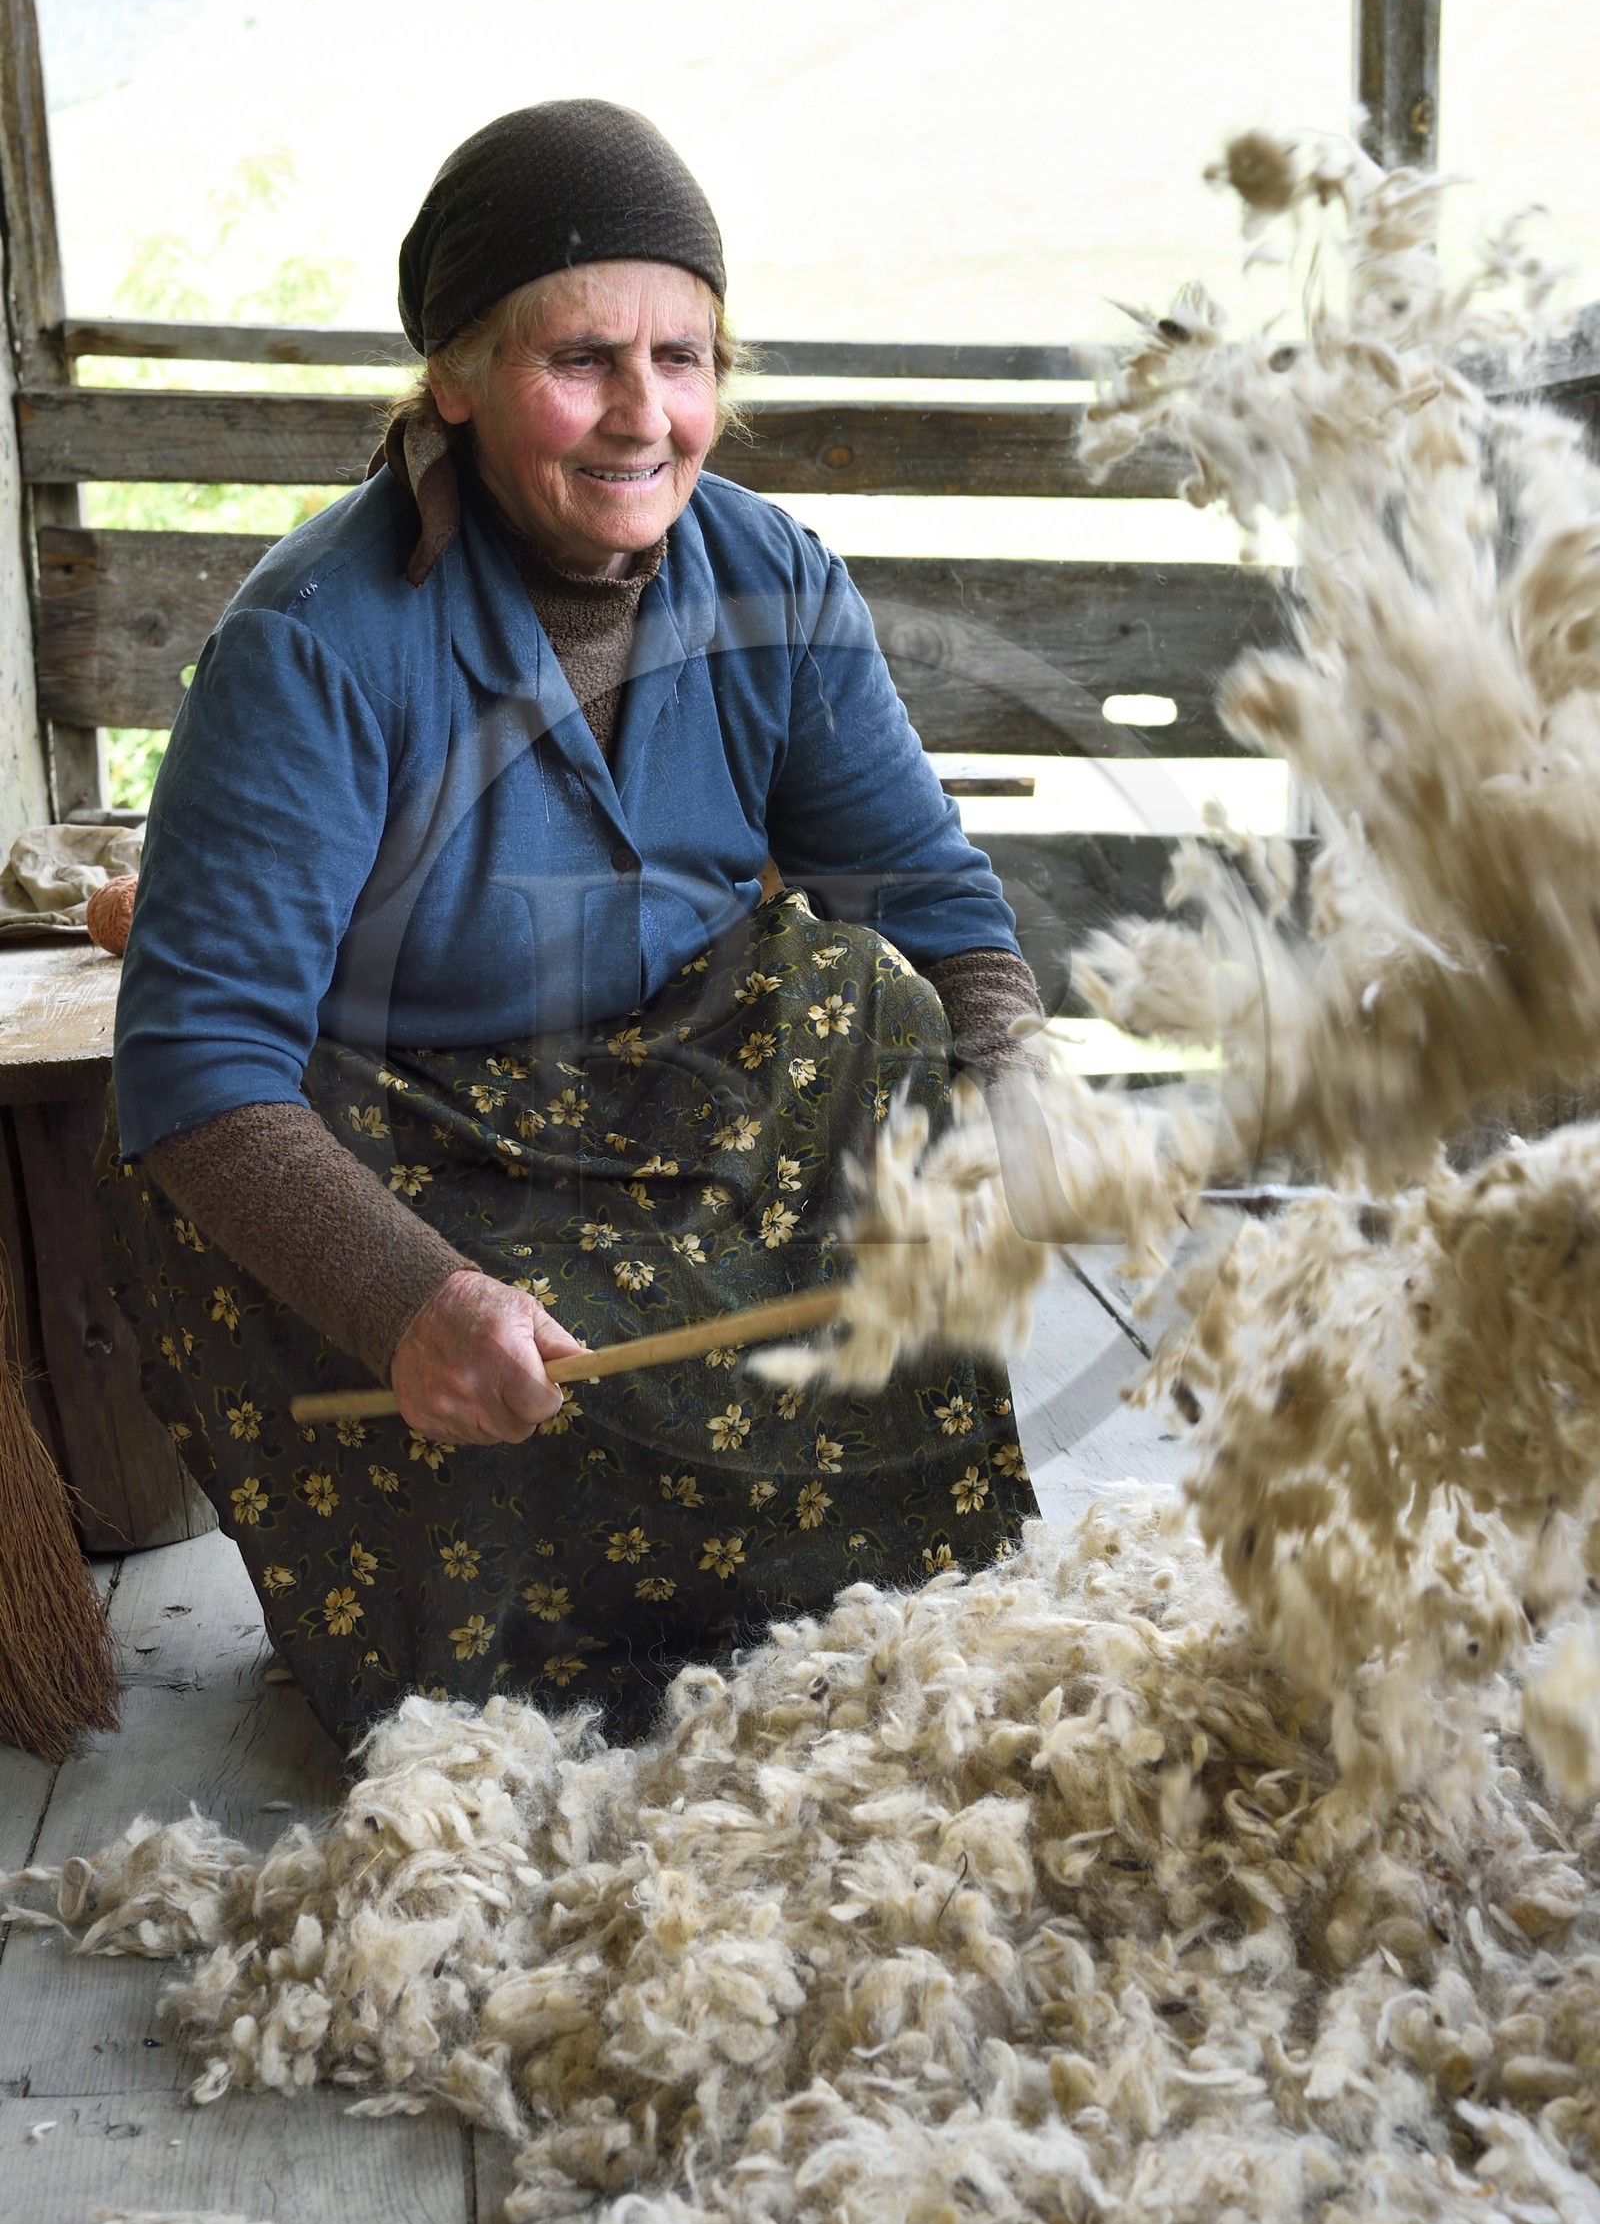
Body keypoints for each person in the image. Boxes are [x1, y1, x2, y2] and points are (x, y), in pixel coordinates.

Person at [101, 99, 1042, 1747]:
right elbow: (196, 1068)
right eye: (582, 360)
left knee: (874, 1004)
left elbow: (922, 890)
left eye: (684, 360)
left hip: (676, 1108)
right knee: (483, 1444)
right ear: (457, 379)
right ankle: (529, 1615)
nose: (644, 416)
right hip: (418, 1143)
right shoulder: (313, 643)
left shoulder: (774, 578)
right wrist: (411, 1299)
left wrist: (1016, 1076)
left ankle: (832, 1557)